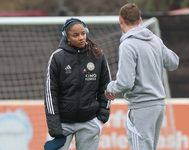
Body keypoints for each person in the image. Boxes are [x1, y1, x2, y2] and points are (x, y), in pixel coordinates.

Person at [105, 3, 179, 150]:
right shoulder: (155, 40)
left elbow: (125, 83)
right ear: (140, 20)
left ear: (120, 20)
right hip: (158, 105)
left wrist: (109, 88)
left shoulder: (128, 44)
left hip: (142, 106)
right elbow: (174, 63)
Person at [44, 18, 111, 150]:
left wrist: (102, 116)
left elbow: (106, 86)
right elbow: (50, 93)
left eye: (83, 33)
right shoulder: (57, 57)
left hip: (90, 121)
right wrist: (55, 126)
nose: (81, 38)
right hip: (63, 123)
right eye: (76, 35)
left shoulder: (97, 54)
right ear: (66, 37)